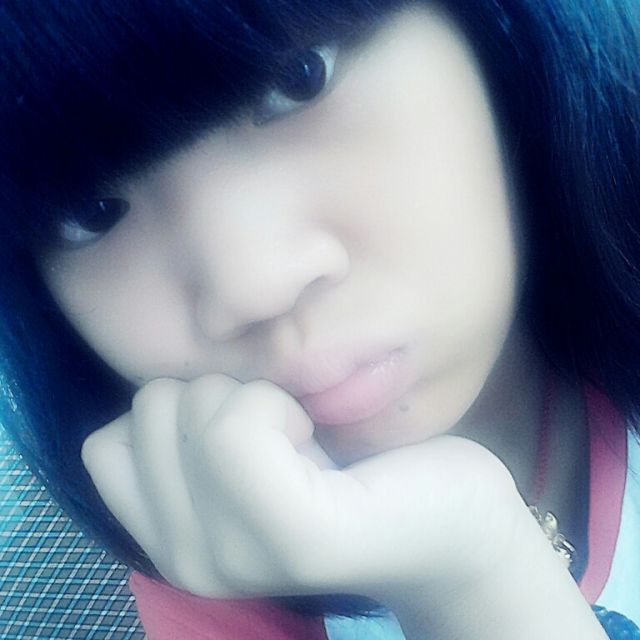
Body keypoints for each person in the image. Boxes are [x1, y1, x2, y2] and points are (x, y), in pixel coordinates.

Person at [1, 1, 639, 638]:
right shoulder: (213, 590)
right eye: (91, 212)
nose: (253, 286)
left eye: (300, 79)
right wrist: (471, 578)